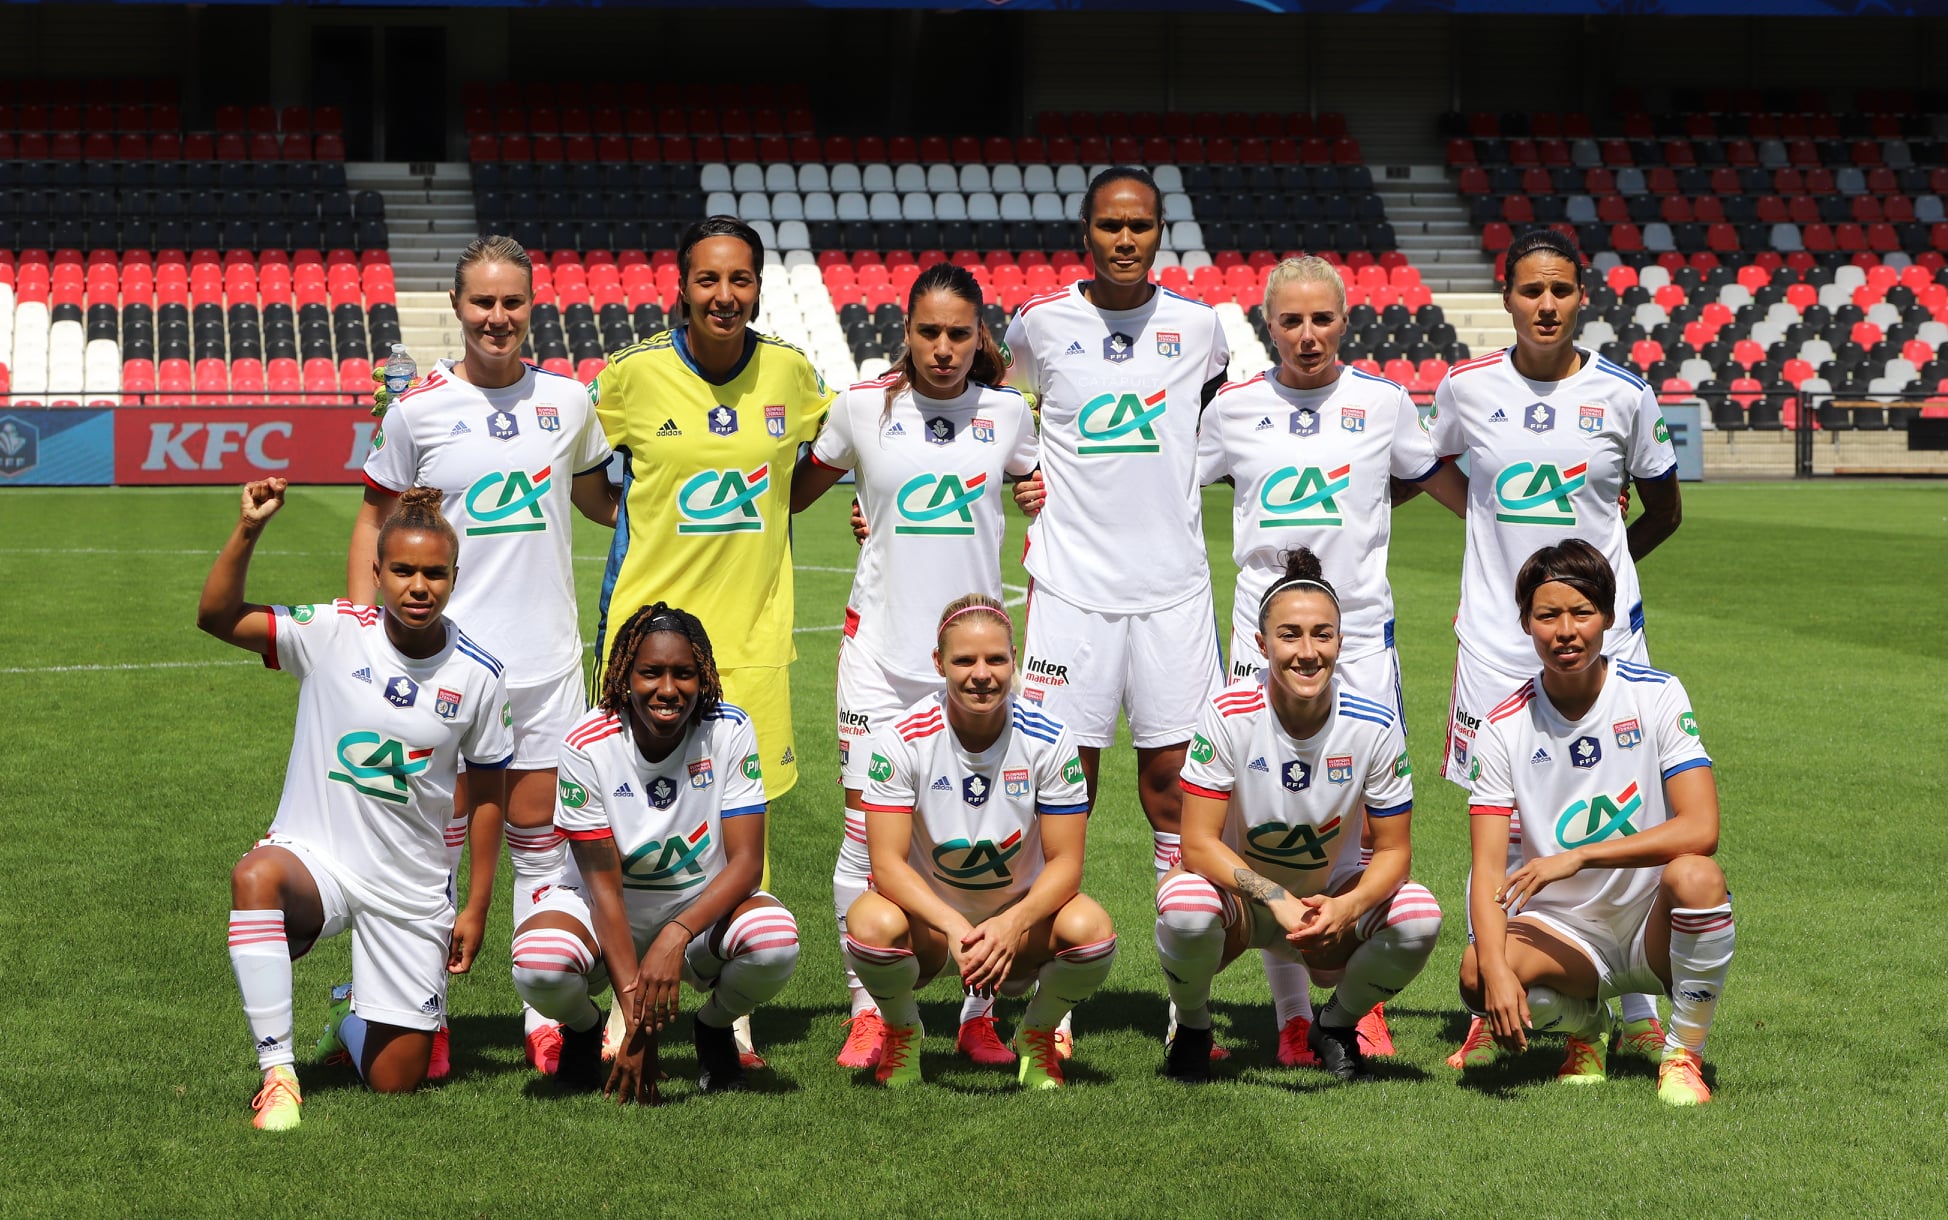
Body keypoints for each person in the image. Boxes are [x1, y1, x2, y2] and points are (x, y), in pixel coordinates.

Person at [349, 235, 618, 1077]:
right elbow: (373, 517)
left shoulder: (571, 403)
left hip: (545, 667)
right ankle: (421, 1012)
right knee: (433, 845)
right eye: (483, 303)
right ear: (458, 309)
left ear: (532, 307)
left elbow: (599, 500)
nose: (497, 318)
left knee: (541, 844)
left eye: (512, 303)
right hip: (442, 668)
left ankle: (543, 1014)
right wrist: (367, 632)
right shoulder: (418, 409)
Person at [1197, 255, 1466, 1065]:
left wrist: (1566, 508)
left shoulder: (1383, 403)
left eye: (1323, 319)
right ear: (1267, 323)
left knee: (1355, 820)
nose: (1307, 336)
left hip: (1360, 642)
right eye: (1291, 321)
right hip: (1261, 642)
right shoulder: (1233, 408)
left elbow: (1446, 483)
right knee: (1263, 823)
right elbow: (1160, 487)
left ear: (1346, 321)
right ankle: (1288, 1011)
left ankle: (1351, 995)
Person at [1429, 227, 1682, 1065]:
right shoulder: (1464, 389)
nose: (1545, 305)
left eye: (1561, 291)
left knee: (1629, 804)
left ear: (1583, 299)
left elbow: (1664, 509)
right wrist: (1502, 550)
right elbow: (1433, 471)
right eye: (1530, 290)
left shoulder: (1624, 393)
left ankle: (1638, 997)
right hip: (1496, 644)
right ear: (1506, 297)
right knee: (1495, 822)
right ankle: (1500, 980)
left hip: (1610, 647)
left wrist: (1588, 602)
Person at [590, 215, 834, 1066]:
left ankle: (726, 1012)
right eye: (707, 280)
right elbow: (591, 485)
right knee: (631, 821)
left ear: (759, 288)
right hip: (644, 645)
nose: (724, 296)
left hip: (753, 645)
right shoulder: (628, 378)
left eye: (740, 280)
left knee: (742, 833)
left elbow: (818, 465)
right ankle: (625, 995)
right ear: (680, 287)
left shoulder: (794, 374)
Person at [791, 263, 1039, 1071]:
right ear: (905, 330)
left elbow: (1042, 489)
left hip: (971, 662)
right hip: (881, 657)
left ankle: (979, 1013)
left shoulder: (1006, 414)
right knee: (867, 834)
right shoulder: (861, 408)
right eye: (927, 332)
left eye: (958, 334)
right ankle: (873, 1014)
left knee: (986, 835)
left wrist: (1038, 498)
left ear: (980, 337)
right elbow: (795, 489)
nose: (942, 349)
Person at [205, 481, 512, 1131]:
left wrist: (477, 904)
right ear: (378, 572)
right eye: (402, 570)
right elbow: (217, 616)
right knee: (254, 876)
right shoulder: (334, 633)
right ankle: (279, 1074)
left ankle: (349, 1016)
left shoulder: (479, 676)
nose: (418, 585)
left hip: (411, 888)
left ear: (455, 579)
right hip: (318, 860)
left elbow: (487, 796)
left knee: (396, 1081)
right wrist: (249, 528)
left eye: (434, 573)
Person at [1004, 166, 1228, 1051]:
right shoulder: (1041, 324)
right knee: (1065, 788)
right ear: (1085, 234)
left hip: (1173, 594)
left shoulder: (1200, 327)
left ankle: (1186, 990)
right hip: (1070, 593)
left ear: (1160, 233)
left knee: (1175, 789)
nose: (1125, 240)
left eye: (1140, 225)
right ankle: (1041, 998)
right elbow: (1010, 409)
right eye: (1109, 226)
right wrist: (1026, 478)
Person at [1457, 540, 1733, 1106]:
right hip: (1567, 938)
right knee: (1477, 974)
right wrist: (1495, 972)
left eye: (1581, 613)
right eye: (1547, 615)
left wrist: (1580, 855)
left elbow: (1701, 826)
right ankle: (1586, 1027)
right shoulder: (1501, 727)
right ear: (1526, 623)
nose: (1565, 630)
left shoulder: (1656, 694)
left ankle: (1683, 1054)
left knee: (1700, 877)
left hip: (1652, 924)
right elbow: (1487, 871)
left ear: (1608, 616)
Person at [1155, 548, 1442, 1083]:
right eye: (1289, 635)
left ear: (1340, 641)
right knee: (1184, 902)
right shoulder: (1227, 714)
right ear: (1262, 645)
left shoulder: (1374, 725)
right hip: (1244, 901)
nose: (1307, 652)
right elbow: (1195, 844)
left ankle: (1334, 1026)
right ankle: (1193, 1026)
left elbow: (1395, 852)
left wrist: (1348, 905)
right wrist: (1276, 899)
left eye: (1322, 635)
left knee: (1419, 913)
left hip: (1328, 899)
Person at [508, 603, 799, 1100]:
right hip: (605, 915)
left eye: (684, 673)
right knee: (538, 961)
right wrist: (637, 1023)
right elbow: (602, 890)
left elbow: (748, 864)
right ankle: (583, 1029)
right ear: (624, 676)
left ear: (703, 676)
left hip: (697, 916)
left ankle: (713, 1029)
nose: (668, 689)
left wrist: (675, 935)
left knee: (773, 940)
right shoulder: (587, 743)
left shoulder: (728, 729)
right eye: (651, 673)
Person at [840, 595, 1117, 1089]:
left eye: (995, 659)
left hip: (1018, 931)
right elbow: (886, 865)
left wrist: (1010, 924)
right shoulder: (902, 739)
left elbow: (1066, 865)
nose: (981, 674)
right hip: (930, 928)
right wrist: (950, 925)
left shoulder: (1050, 739)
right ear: (939, 664)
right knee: (869, 922)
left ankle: (1036, 1033)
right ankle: (904, 1031)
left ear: (1016, 659)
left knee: (1091, 930)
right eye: (964, 660)